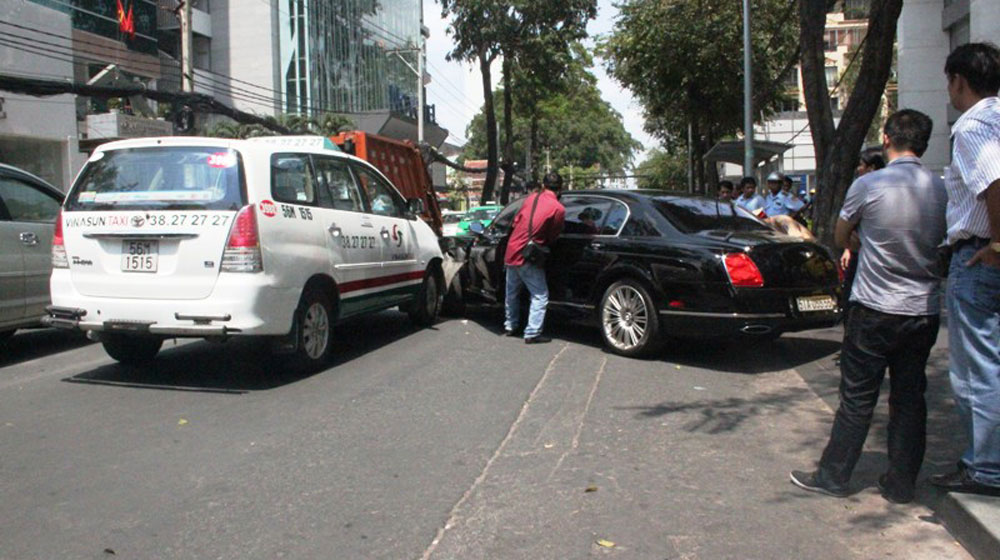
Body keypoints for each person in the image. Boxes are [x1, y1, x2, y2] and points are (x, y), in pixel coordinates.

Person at [790, 109, 947, 504]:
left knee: (858, 397)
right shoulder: (941, 188)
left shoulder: (869, 184)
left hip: (874, 307)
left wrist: (861, 240)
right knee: (910, 398)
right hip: (922, 310)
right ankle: (900, 483)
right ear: (924, 144)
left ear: (886, 137)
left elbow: (842, 233)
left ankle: (834, 475)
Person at [930, 42, 1000, 497]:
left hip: (979, 257)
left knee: (978, 369)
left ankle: (986, 468)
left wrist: (996, 244)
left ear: (959, 80)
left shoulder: (974, 124)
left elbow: (994, 181)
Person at [502, 171, 566, 344]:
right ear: (560, 189)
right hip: (529, 255)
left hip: (512, 249)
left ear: (543, 186)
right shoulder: (558, 208)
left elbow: (516, 221)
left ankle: (510, 325)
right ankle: (532, 332)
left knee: (512, 293)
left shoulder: (531, 199)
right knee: (540, 295)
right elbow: (554, 234)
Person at [840, 147, 887, 307]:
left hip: (868, 252)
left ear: (871, 167)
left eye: (861, 165)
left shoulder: (863, 186)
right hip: (857, 249)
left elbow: (842, 228)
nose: (859, 169)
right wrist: (847, 249)